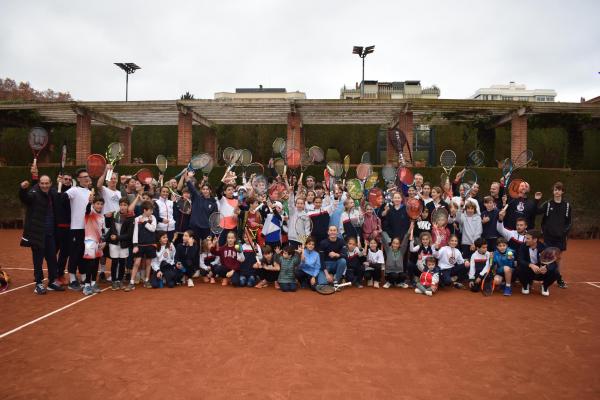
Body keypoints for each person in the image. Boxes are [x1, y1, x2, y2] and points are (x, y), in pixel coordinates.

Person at [19, 169, 64, 294]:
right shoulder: (34, 192)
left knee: (52, 259)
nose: (44, 185)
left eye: (47, 183)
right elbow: (25, 198)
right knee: (38, 260)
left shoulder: (52, 193)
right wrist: (22, 189)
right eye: (42, 183)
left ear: (50, 184)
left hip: (50, 234)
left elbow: (60, 196)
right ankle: (38, 283)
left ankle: (52, 282)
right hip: (37, 233)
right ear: (39, 184)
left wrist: (61, 183)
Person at [62, 169, 92, 291]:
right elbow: (63, 198)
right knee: (74, 254)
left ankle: (84, 277)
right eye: (83, 176)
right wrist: (62, 185)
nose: (86, 178)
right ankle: (72, 279)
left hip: (87, 228)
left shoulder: (90, 192)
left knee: (83, 254)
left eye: (87, 176)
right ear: (78, 179)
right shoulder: (74, 190)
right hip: (75, 227)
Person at [538, 182, 571, 288]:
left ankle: (559, 278)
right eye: (555, 190)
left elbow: (569, 222)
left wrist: (563, 232)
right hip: (549, 236)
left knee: (558, 258)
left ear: (562, 191)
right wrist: (537, 200)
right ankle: (547, 278)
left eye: (559, 189)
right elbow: (537, 211)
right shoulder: (547, 204)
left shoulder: (567, 206)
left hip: (560, 237)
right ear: (553, 192)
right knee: (548, 257)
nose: (557, 191)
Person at [125, 200, 157, 292]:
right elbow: (135, 232)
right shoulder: (137, 219)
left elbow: (153, 229)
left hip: (150, 244)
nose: (152, 212)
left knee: (148, 263)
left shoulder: (153, 218)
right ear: (144, 210)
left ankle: (146, 280)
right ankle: (131, 282)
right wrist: (135, 245)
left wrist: (144, 223)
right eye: (150, 210)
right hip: (140, 245)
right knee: (136, 263)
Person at [517, 230, 558, 296]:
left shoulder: (544, 247)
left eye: (528, 238)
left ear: (535, 239)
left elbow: (553, 263)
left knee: (555, 272)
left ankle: (545, 286)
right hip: (528, 270)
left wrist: (546, 268)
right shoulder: (523, 246)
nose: (525, 240)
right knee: (519, 268)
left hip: (541, 271)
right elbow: (520, 259)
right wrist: (530, 265)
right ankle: (525, 285)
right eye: (525, 238)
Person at [106, 198, 134, 290]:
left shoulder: (130, 218)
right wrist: (107, 217)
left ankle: (120, 280)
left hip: (124, 243)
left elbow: (129, 235)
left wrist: (117, 237)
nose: (122, 207)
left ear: (128, 206)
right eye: (121, 205)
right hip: (114, 243)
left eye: (125, 205)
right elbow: (108, 226)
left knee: (122, 262)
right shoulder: (114, 215)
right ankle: (114, 281)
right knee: (114, 262)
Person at [81, 195, 106, 296]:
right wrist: (89, 202)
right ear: (94, 204)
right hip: (90, 241)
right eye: (97, 204)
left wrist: (103, 241)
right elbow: (87, 209)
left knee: (96, 263)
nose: (99, 206)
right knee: (90, 263)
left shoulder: (102, 216)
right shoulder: (90, 213)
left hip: (99, 242)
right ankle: (86, 285)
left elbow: (103, 230)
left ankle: (93, 283)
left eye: (101, 204)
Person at [186, 174, 218, 241]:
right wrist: (187, 176)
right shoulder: (196, 197)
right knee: (194, 248)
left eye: (207, 189)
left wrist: (211, 234)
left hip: (206, 230)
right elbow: (190, 186)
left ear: (210, 191)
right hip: (194, 228)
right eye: (203, 189)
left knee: (206, 249)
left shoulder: (214, 204)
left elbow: (214, 220)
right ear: (201, 190)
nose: (205, 191)